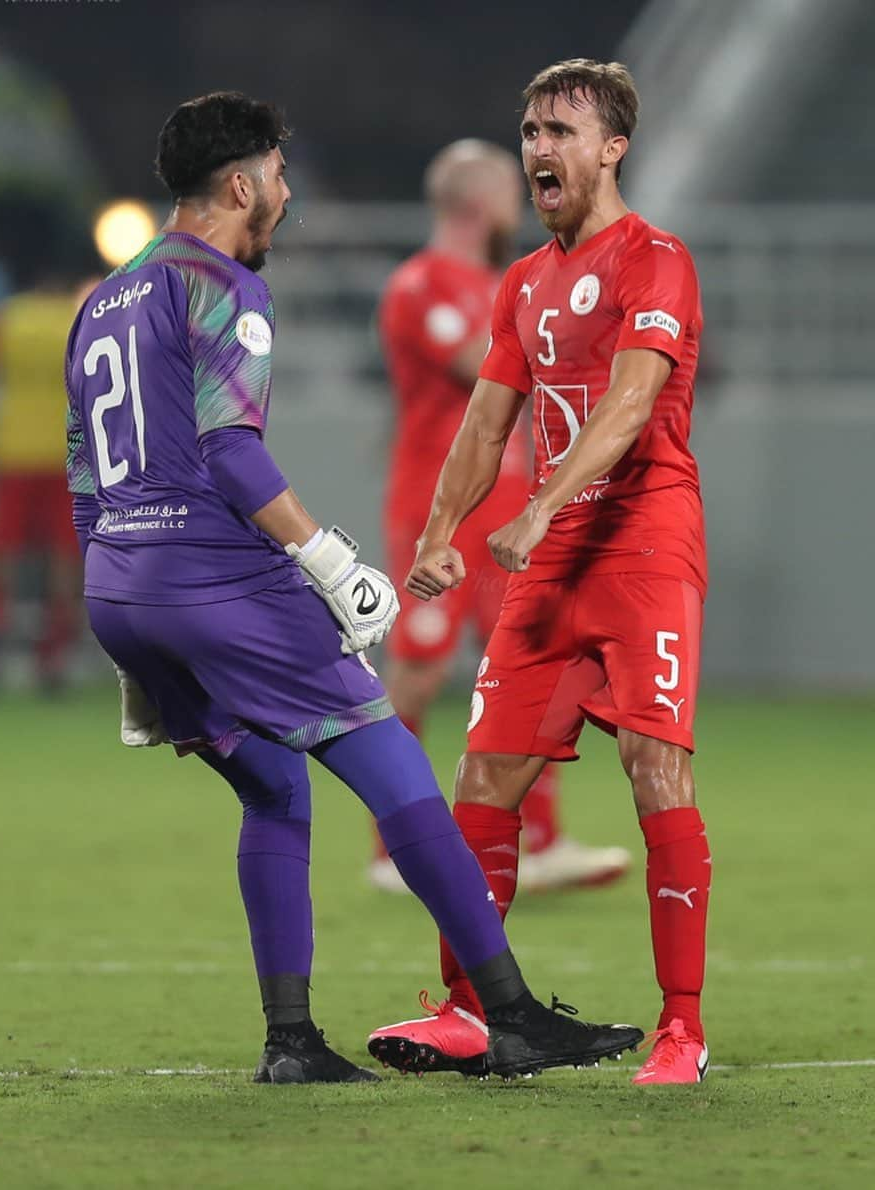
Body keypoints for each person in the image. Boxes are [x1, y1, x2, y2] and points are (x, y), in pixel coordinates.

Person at [64, 91, 643, 1085]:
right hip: (216, 580)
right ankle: (508, 1014)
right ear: (241, 183)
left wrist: (128, 619)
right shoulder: (222, 286)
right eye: (280, 177)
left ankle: (290, 1042)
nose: (285, 197)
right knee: (392, 760)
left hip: (121, 586)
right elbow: (232, 455)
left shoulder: (101, 300)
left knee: (276, 786)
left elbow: (85, 474)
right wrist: (329, 561)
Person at [369, 60, 711, 1085]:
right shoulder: (522, 282)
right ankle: (470, 1012)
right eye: (528, 130)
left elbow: (633, 401)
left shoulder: (657, 258)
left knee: (654, 767)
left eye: (560, 129)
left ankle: (681, 1028)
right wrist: (441, 531)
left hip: (644, 541)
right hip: (549, 554)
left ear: (612, 148)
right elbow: (484, 421)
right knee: (483, 774)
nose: (538, 148)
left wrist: (542, 503)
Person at [372, 138, 630, 895]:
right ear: (482, 201)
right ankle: (395, 850)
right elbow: (486, 367)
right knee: (417, 673)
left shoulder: (504, 284)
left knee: (530, 671)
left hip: (512, 510)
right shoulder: (421, 284)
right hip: (437, 510)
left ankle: (539, 840)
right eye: (517, 190)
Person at [0, 276, 84, 690]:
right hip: (63, 451)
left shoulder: (3, 319)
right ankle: (54, 648)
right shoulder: (77, 320)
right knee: (63, 554)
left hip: (11, 449)